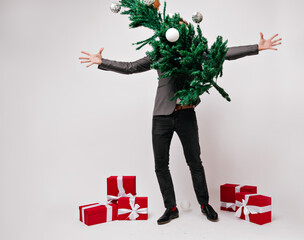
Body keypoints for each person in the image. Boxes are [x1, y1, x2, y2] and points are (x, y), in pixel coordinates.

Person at [79, 19, 282, 224]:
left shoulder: (193, 53)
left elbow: (223, 53)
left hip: (186, 114)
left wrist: (257, 47)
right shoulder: (158, 55)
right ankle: (171, 208)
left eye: (183, 27)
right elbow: (131, 67)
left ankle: (204, 204)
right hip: (161, 117)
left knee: (195, 162)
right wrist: (102, 62)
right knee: (160, 165)